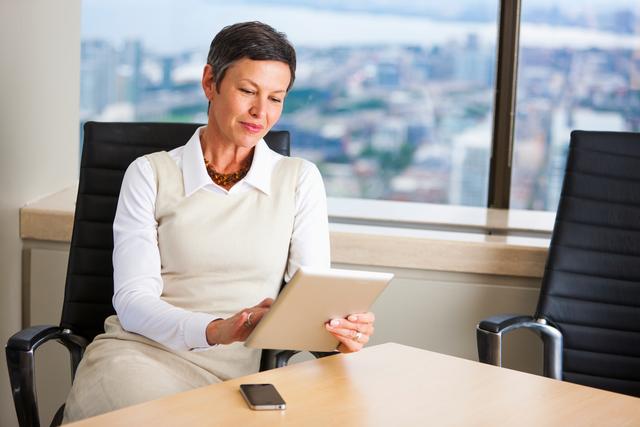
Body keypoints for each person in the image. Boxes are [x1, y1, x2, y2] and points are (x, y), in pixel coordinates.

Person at [62, 21, 376, 422]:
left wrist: (338, 335)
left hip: (234, 376)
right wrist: (215, 329)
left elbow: (307, 305)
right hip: (136, 356)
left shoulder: (299, 180)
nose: (261, 113)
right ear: (210, 82)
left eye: (276, 98)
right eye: (247, 91)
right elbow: (133, 302)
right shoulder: (150, 174)